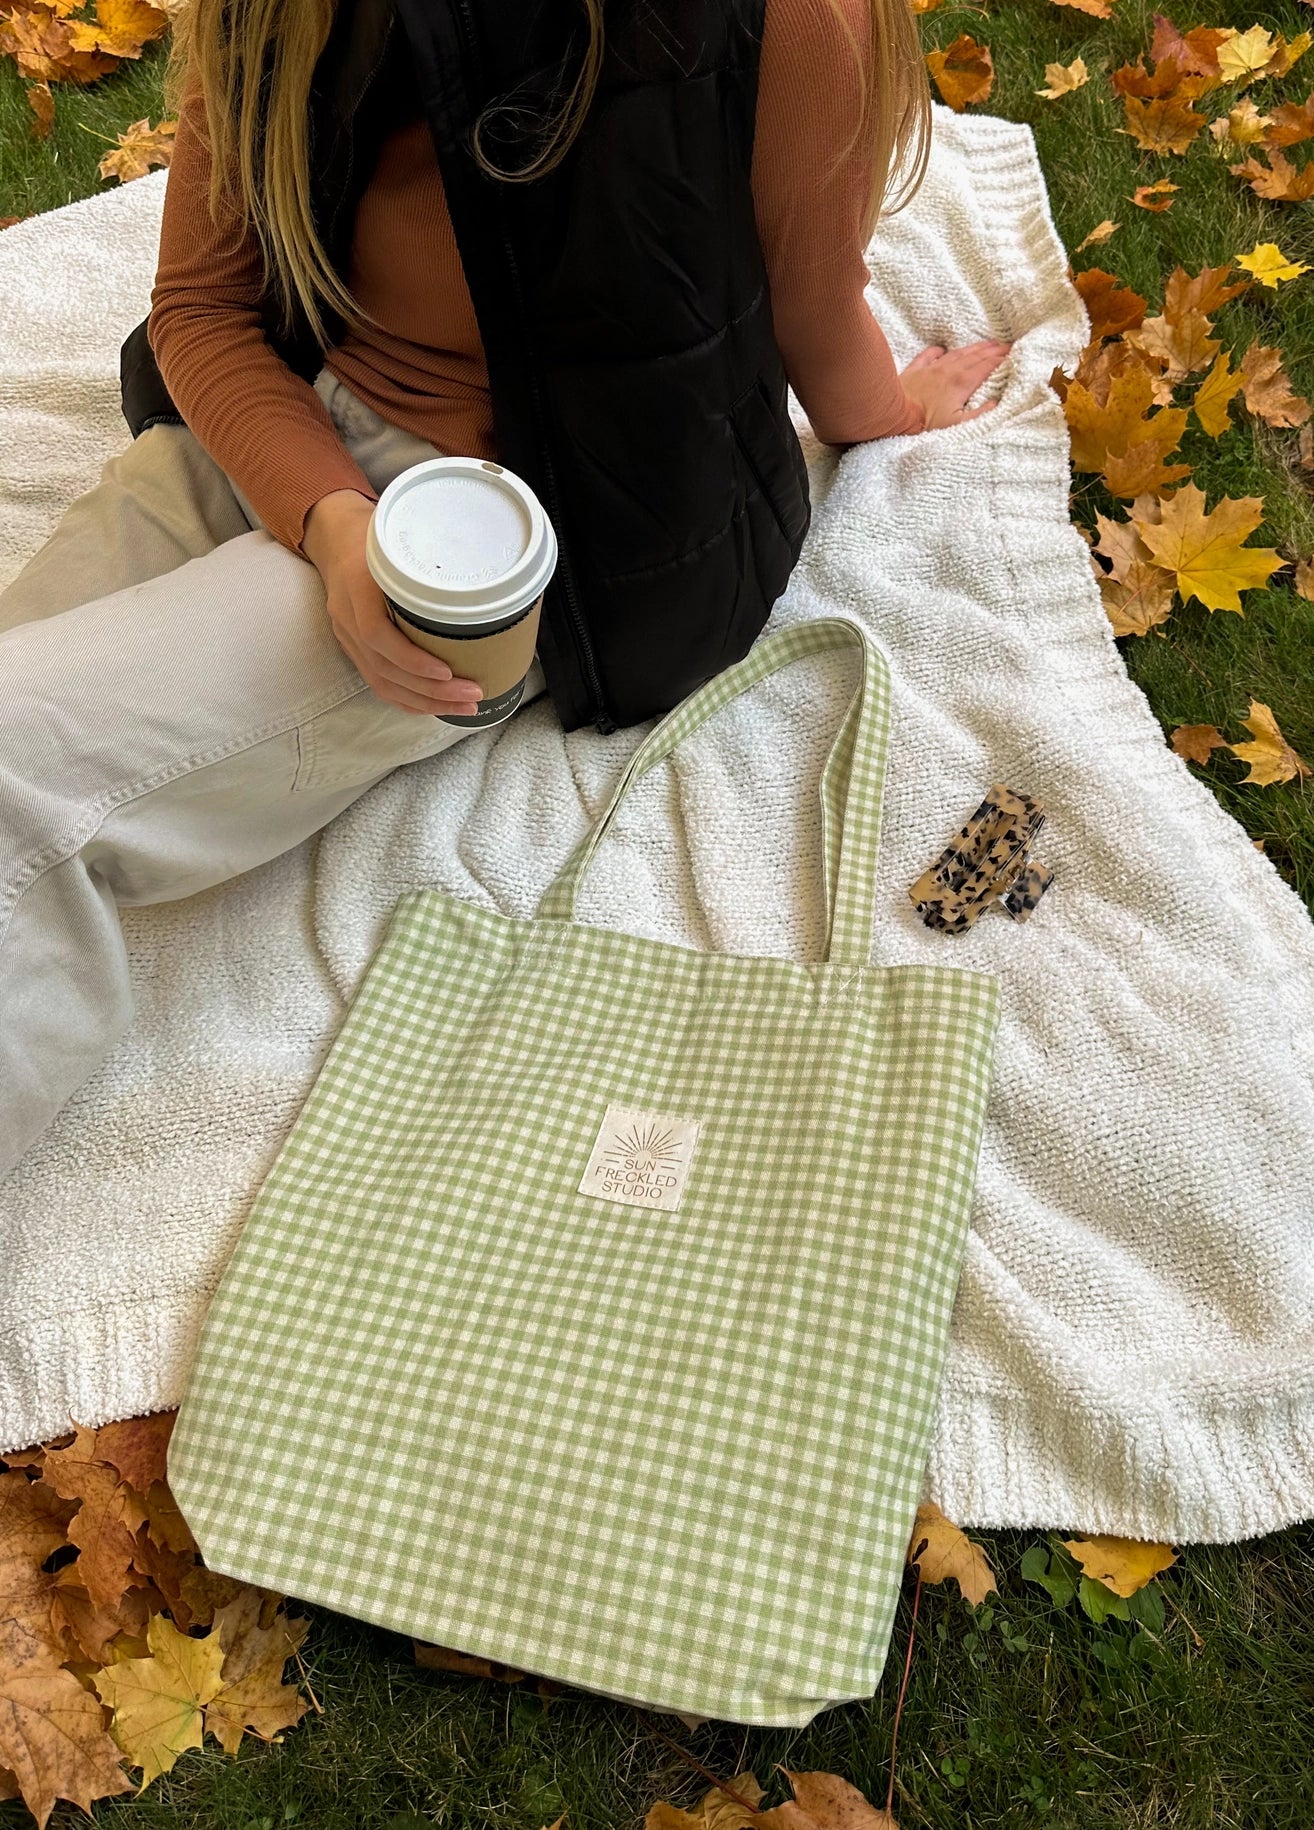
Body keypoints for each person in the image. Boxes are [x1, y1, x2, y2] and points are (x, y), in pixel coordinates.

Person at [0, 0, 1011, 1182]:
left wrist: (888, 413)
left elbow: (807, 305)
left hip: (485, 545)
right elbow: (204, 307)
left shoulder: (777, 18)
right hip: (268, 439)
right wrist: (328, 522)